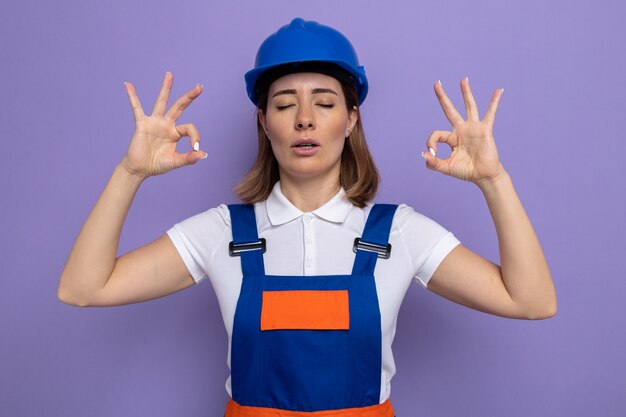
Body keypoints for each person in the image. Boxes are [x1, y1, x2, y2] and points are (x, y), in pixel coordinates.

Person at [58, 17, 557, 417]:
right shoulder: (222, 233)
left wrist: (494, 180)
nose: (304, 119)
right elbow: (82, 289)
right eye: (283, 104)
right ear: (264, 122)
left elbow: (531, 301)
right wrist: (130, 172)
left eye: (324, 102)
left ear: (351, 119)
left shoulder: (398, 232)